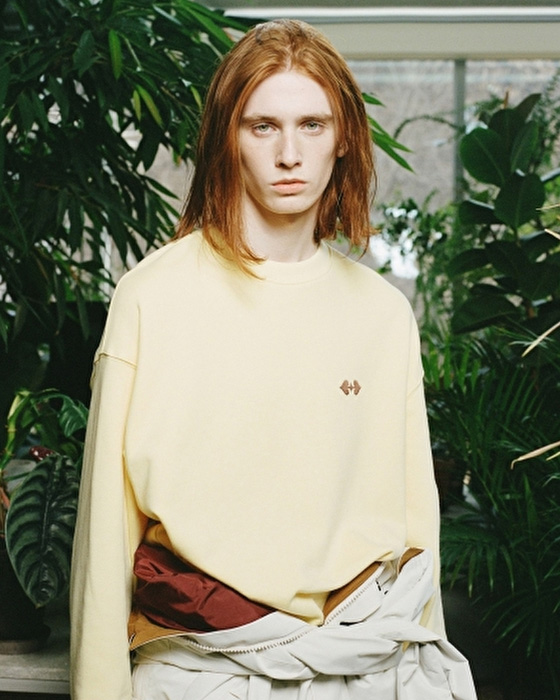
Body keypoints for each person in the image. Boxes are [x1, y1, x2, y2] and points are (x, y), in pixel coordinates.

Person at [70, 18, 476, 700]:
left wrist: (426, 672)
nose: (290, 153)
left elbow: (416, 538)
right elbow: (105, 536)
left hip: (364, 665)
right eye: (263, 126)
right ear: (227, 138)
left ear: (343, 138)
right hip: (201, 671)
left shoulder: (382, 315)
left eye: (312, 125)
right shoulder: (152, 298)